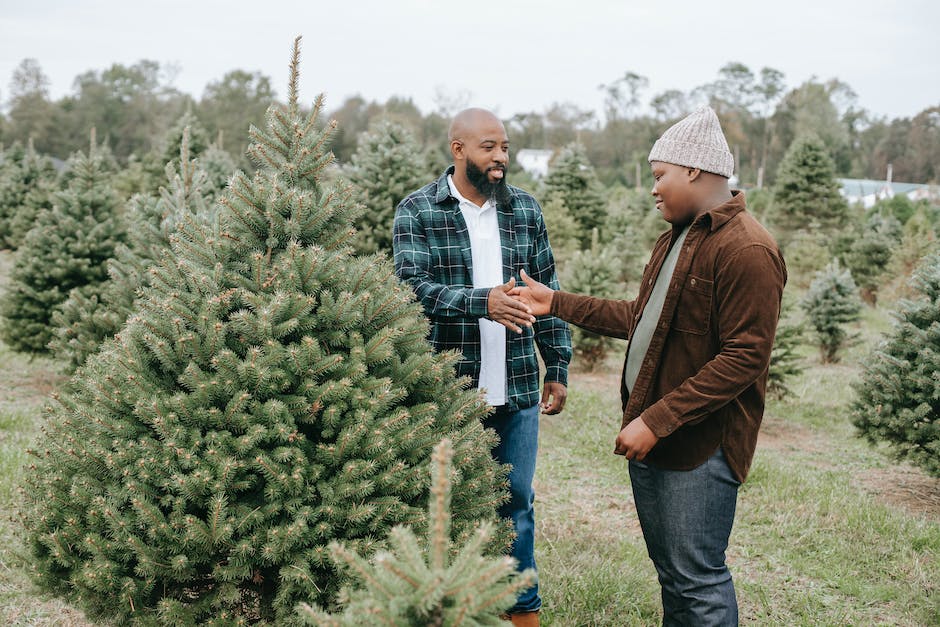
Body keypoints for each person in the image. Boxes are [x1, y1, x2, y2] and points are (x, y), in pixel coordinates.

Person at [511, 106, 786, 626]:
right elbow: (644, 320)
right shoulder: (680, 236)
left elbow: (745, 358)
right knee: (674, 578)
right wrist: (558, 303)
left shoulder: (746, 248)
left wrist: (656, 420)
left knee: (698, 582)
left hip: (698, 448)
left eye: (660, 176)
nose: (653, 189)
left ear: (695, 171)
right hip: (660, 441)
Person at [393, 108, 572, 626]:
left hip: (515, 386)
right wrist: (482, 302)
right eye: (489, 147)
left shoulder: (524, 211)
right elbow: (410, 289)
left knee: (516, 503)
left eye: (506, 148)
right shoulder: (418, 211)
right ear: (458, 149)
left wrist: (556, 365)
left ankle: (523, 614)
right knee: (440, 508)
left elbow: (548, 291)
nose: (500, 158)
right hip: (448, 390)